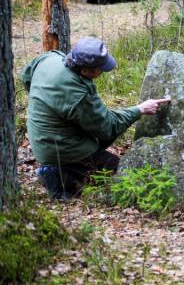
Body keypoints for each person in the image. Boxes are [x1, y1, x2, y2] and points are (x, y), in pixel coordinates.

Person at [20, 37, 170, 200]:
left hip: (42, 140)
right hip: (61, 149)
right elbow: (108, 127)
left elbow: (26, 77)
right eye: (101, 68)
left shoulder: (50, 58)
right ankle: (56, 175)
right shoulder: (78, 96)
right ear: (85, 71)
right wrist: (139, 109)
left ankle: (58, 169)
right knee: (120, 173)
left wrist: (50, 105)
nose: (104, 70)